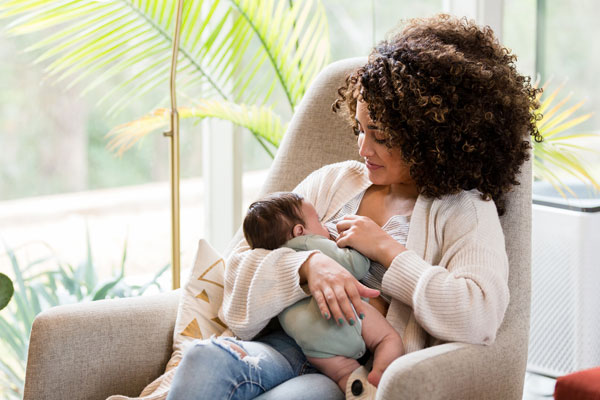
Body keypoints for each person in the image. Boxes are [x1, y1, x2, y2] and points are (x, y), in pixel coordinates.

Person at [166, 13, 541, 400]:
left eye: (380, 136)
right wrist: (308, 266)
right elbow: (238, 268)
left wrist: (387, 251)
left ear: (430, 137)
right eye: (361, 129)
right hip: (279, 344)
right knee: (203, 359)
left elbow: (478, 315)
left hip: (347, 374)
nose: (363, 149)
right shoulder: (333, 181)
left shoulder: (463, 210)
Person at [242, 191, 405, 392]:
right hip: (345, 317)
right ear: (300, 230)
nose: (325, 226)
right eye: (319, 220)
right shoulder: (310, 243)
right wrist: (358, 245)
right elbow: (356, 266)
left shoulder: (272, 259)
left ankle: (359, 390)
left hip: (310, 342)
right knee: (388, 339)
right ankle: (380, 377)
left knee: (344, 374)